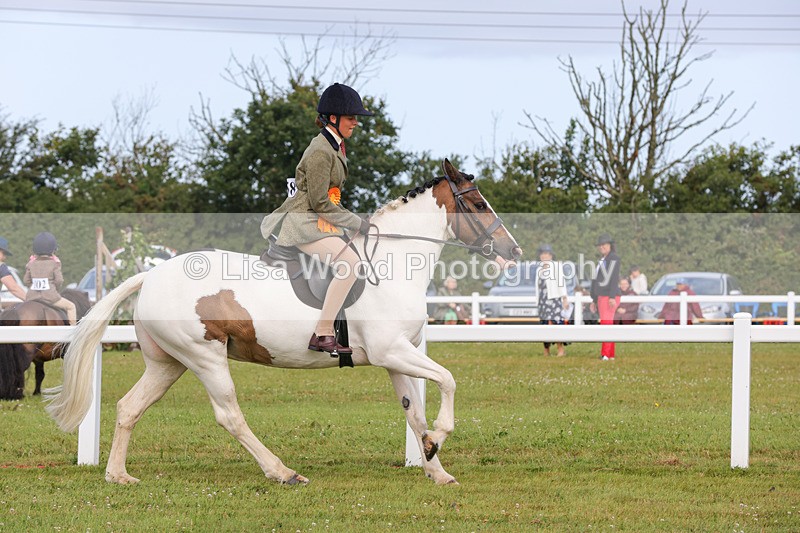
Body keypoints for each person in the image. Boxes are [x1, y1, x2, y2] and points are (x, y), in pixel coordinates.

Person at [260, 83, 373, 355]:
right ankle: (322, 333)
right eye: (351, 118)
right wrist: (356, 222)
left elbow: (330, 199)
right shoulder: (321, 150)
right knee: (350, 263)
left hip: (318, 220)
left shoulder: (335, 146)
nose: (356, 123)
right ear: (333, 118)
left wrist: (352, 220)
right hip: (304, 223)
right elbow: (320, 202)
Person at [22, 232, 77, 325]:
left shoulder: (30, 264)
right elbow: (59, 280)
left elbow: (26, 280)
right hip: (50, 297)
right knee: (71, 307)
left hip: (32, 297)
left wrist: (33, 285)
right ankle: (72, 334)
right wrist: (55, 288)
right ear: (52, 250)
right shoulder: (55, 263)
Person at [590, 233, 621, 360]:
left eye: (604, 245)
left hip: (609, 296)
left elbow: (614, 278)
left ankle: (606, 354)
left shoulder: (613, 258)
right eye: (600, 245)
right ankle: (610, 354)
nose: (601, 247)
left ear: (610, 245)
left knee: (606, 324)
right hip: (601, 296)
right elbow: (596, 280)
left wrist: (612, 296)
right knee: (607, 323)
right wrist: (594, 299)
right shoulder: (603, 260)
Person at [536, 244, 568, 356]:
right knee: (544, 325)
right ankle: (546, 349)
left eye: (547, 254)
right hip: (543, 301)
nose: (544, 256)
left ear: (550, 255)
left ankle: (560, 349)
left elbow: (561, 283)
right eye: (543, 254)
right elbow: (538, 287)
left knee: (556, 323)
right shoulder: (539, 269)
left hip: (554, 299)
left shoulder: (556, 266)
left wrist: (564, 298)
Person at [0, 236, 27, 303]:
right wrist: (30, 300)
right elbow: (13, 288)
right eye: (4, 253)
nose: (5, 257)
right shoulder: (1, 266)